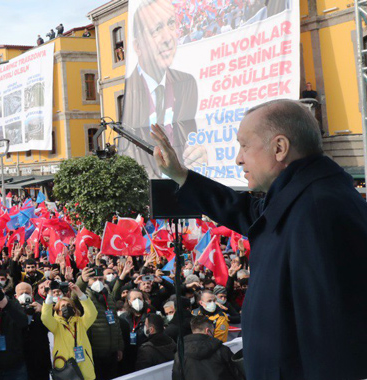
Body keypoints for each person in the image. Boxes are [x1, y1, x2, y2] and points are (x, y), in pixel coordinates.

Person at [151, 99, 367, 379]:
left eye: (244, 145)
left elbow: (331, 335)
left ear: (279, 148)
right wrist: (182, 176)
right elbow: (245, 211)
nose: (239, 158)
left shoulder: (318, 211)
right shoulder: (301, 197)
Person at [122, 0, 199, 177]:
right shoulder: (130, 93)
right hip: (151, 184)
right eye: (156, 30)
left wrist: (200, 152)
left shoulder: (187, 83)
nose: (167, 38)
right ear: (137, 47)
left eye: (171, 24)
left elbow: (191, 137)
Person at [41, 283, 98, 380]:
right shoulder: (56, 325)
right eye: (62, 306)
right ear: (58, 311)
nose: (66, 308)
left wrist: (79, 293)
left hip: (84, 367)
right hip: (66, 369)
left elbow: (92, 312)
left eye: (69, 305)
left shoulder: (81, 322)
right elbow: (45, 317)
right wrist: (49, 296)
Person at [78, 270, 123, 380]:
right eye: (94, 279)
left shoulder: (108, 296)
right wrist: (82, 281)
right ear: (88, 281)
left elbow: (116, 323)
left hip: (111, 352)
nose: (98, 282)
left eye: (100, 279)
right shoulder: (84, 296)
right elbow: (75, 296)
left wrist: (119, 347)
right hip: (94, 353)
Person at [171, 316, 242, 380]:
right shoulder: (221, 350)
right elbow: (237, 374)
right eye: (213, 331)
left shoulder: (180, 355)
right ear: (207, 331)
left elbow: (176, 377)